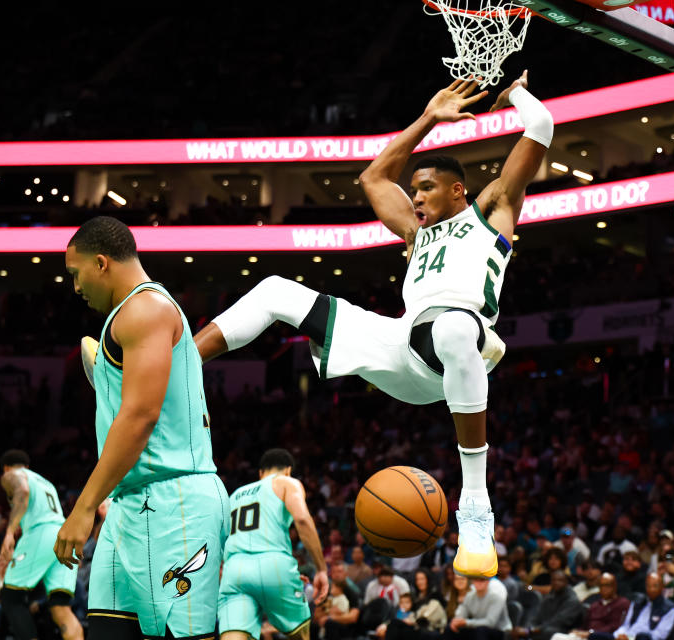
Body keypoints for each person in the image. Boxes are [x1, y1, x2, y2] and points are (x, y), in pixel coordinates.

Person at [193, 73, 552, 579]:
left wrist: (512, 94)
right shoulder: (414, 230)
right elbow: (373, 179)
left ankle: (475, 508)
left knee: (451, 328)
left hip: (453, 349)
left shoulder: (491, 210)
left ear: (457, 190)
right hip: (401, 346)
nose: (417, 198)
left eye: (426, 188)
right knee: (276, 289)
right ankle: (175, 361)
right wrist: (428, 118)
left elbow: (542, 123)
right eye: (415, 191)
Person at [57, 216, 229, 639]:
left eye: (76, 275)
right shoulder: (126, 315)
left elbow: (139, 417)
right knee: (107, 630)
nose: (75, 288)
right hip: (130, 504)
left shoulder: (145, 309)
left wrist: (82, 508)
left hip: (176, 505)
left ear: (101, 263)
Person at [218, 449, 329, 640]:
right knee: (300, 635)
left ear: (260, 473)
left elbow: (220, 540)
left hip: (234, 571)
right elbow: (302, 519)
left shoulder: (234, 495)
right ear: (288, 470)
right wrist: (321, 569)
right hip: (274, 565)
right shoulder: (287, 482)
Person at [0, 450, 82, 640]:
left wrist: (9, 532)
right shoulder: (46, 482)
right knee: (61, 608)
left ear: (6, 468)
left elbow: (23, 491)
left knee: (11, 598)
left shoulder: (12, 475)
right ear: (27, 465)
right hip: (64, 535)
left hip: (41, 533)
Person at [513, 570, 583, 640]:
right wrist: (527, 628)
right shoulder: (551, 595)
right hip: (543, 628)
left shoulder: (572, 600)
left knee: (548, 632)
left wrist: (530, 630)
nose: (556, 583)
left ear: (566, 582)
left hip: (562, 632)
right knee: (516, 631)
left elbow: (558, 621)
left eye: (560, 580)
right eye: (553, 580)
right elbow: (537, 616)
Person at [613, 573, 674, 640]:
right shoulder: (637, 600)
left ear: (662, 587)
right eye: (648, 585)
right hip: (627, 636)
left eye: (655, 586)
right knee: (602, 636)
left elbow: (659, 636)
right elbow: (626, 625)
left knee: (643, 637)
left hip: (644, 638)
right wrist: (618, 635)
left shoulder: (669, 608)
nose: (651, 589)